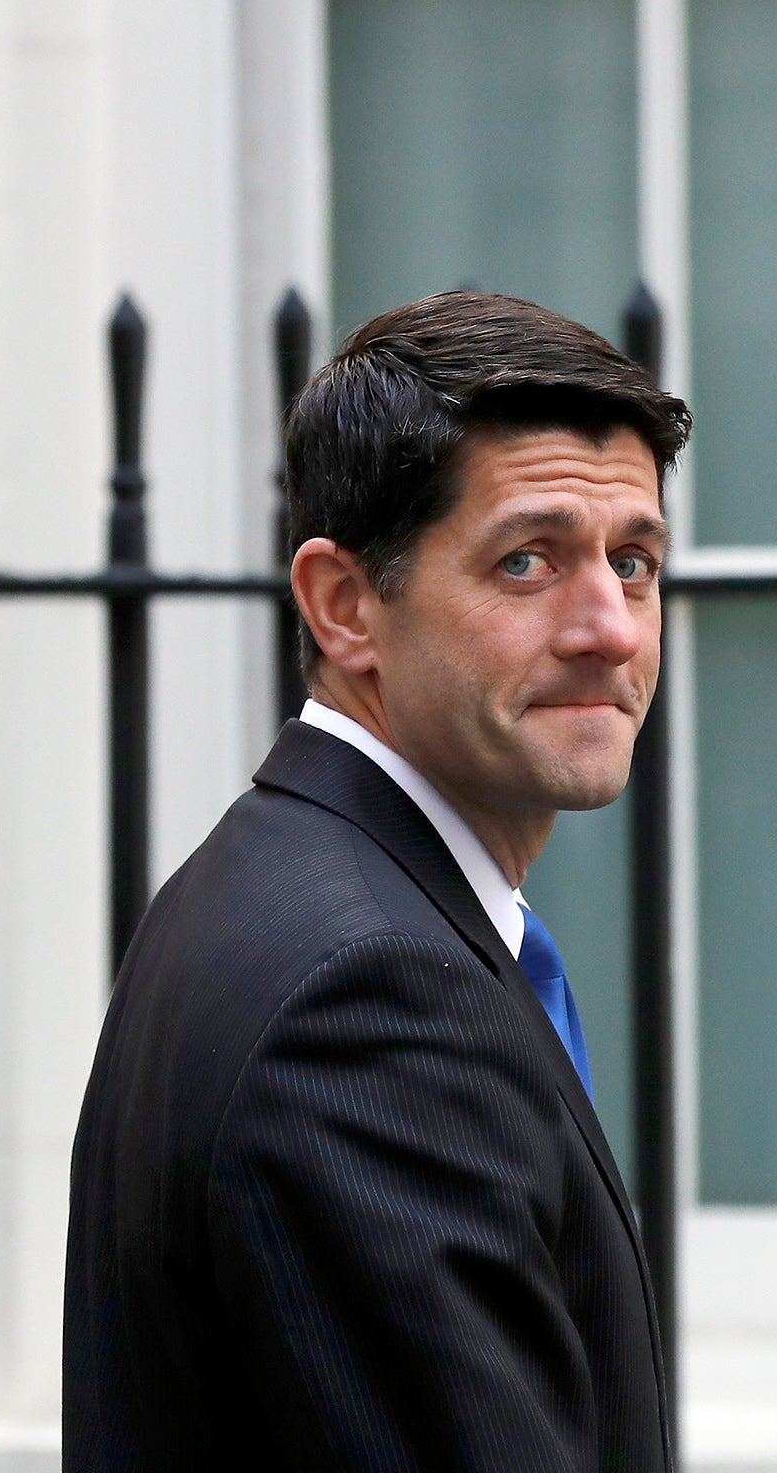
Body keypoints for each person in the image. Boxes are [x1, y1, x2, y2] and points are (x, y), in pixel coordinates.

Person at [62, 289, 689, 1471]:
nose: (609, 627)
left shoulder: (277, 889)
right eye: (525, 560)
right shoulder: (370, 999)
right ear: (345, 607)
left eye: (634, 560)